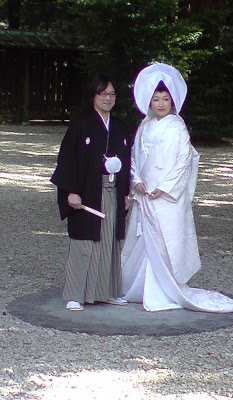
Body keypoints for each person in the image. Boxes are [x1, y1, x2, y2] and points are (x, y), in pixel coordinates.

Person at [121, 63, 233, 313]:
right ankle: (137, 286)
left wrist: (163, 188)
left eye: (165, 98)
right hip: (145, 194)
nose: (161, 103)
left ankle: (165, 288)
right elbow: (133, 156)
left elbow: (183, 161)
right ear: (149, 102)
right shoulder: (144, 125)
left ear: (172, 100)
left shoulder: (177, 126)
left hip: (166, 197)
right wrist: (136, 181)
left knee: (166, 242)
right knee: (142, 240)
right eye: (156, 99)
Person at [50, 75, 131, 311]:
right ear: (93, 96)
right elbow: (67, 160)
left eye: (112, 94)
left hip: (113, 190)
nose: (108, 98)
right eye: (102, 93)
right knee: (84, 242)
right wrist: (71, 191)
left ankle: (110, 291)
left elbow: (127, 163)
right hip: (86, 191)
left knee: (112, 240)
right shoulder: (80, 125)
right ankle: (76, 294)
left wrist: (125, 193)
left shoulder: (120, 127)